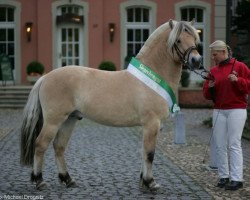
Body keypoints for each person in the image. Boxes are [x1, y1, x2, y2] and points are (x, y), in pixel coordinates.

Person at [203, 40, 250, 191]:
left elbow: (248, 84)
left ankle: (237, 179)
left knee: (234, 143)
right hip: (219, 110)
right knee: (219, 144)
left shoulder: (240, 66)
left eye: (215, 54)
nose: (213, 57)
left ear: (223, 52)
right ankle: (224, 176)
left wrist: (238, 80)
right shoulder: (213, 71)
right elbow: (206, 95)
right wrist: (209, 88)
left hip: (237, 109)